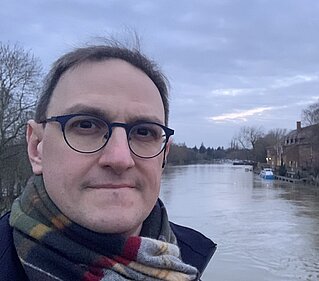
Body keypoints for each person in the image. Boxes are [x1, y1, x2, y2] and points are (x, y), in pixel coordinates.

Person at [0, 43, 216, 280]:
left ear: (163, 155)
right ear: (36, 148)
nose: (120, 158)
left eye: (144, 132)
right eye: (85, 125)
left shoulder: (187, 263)